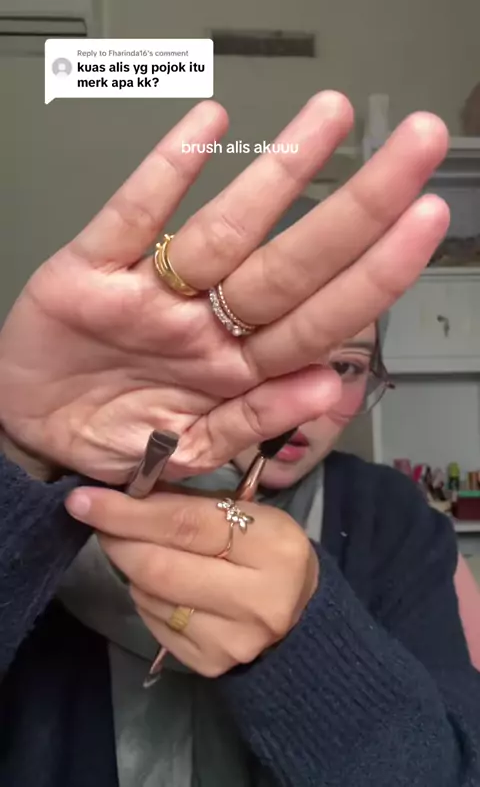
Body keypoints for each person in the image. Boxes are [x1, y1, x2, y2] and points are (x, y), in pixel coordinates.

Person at [1, 93, 479, 786]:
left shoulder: (393, 520)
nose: (307, 404)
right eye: (275, 354)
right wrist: (17, 459)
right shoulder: (57, 489)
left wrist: (308, 646)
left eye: (347, 367)